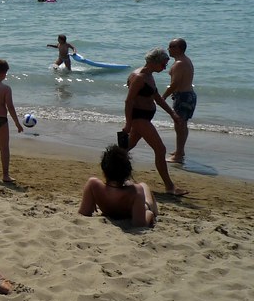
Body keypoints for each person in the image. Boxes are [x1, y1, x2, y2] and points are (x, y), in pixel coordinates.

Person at [123, 48, 187, 196]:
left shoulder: (149, 76)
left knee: (125, 148)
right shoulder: (139, 77)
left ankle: (114, 175)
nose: (165, 68)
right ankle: (170, 187)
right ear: (154, 62)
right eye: (163, 64)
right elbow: (129, 101)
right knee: (160, 149)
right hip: (139, 118)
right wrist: (128, 123)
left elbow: (157, 98)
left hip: (144, 118)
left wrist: (172, 113)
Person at [79, 145, 157, 228]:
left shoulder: (93, 185)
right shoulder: (136, 191)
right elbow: (140, 224)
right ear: (127, 172)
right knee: (143, 186)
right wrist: (149, 214)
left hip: (110, 206)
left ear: (104, 170)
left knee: (131, 184)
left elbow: (84, 213)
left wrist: (93, 201)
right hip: (136, 209)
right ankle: (153, 209)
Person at [162, 38, 195, 164]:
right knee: (182, 124)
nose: (168, 49)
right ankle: (180, 151)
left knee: (180, 125)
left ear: (179, 48)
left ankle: (179, 155)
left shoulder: (179, 63)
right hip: (187, 95)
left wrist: (163, 96)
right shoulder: (184, 61)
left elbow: (175, 84)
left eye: (171, 46)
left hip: (184, 96)